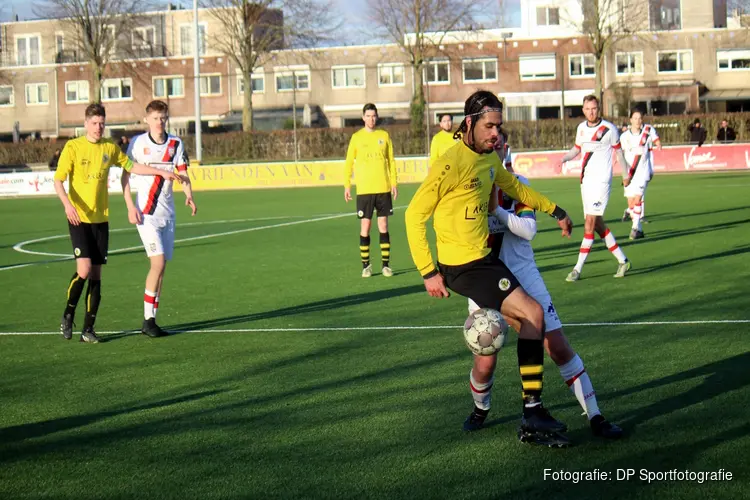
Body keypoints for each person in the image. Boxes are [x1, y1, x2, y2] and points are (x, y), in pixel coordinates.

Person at [405, 90, 574, 446]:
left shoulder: (489, 159)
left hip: (483, 261)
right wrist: (428, 271)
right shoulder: (450, 163)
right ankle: (532, 412)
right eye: (489, 125)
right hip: (460, 266)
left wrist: (554, 209)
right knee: (531, 314)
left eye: (499, 126)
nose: (496, 133)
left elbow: (514, 188)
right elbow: (413, 215)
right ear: (470, 123)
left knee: (529, 321)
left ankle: (530, 412)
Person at [466, 173, 622, 440]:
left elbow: (528, 230)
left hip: (524, 276)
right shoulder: (468, 187)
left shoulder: (517, 185)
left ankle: (596, 417)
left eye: (501, 144)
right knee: (485, 363)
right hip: (486, 278)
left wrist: (496, 211)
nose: (496, 150)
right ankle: (481, 408)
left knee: (557, 347)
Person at [55, 103, 180, 343]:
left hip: (101, 220)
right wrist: (67, 204)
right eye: (94, 123)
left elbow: (131, 167)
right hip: (79, 217)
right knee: (83, 269)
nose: (98, 128)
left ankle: (88, 329)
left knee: (97, 276)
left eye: (101, 123)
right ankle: (68, 313)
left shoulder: (109, 148)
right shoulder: (73, 147)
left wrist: (159, 172)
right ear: (85, 124)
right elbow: (59, 181)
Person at [121, 100, 197, 338]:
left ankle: (152, 319)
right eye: (155, 118)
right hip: (146, 215)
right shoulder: (137, 144)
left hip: (168, 214)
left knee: (162, 269)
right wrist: (129, 206)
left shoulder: (176, 143)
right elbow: (125, 176)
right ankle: (147, 320)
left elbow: (183, 173)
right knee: (158, 263)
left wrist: (189, 195)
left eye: (163, 118)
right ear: (147, 119)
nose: (159, 122)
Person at [559, 95, 631, 282]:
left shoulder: (609, 129)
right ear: (583, 110)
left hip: (602, 183)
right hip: (586, 183)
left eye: (594, 108)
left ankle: (577, 269)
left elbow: (619, 154)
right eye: (587, 109)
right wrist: (564, 158)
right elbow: (576, 149)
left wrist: (625, 175)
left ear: (599, 109)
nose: (591, 112)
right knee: (598, 225)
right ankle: (623, 260)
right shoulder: (581, 129)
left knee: (590, 223)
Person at [344, 103, 398, 278]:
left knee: (383, 225)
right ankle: (366, 266)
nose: (371, 119)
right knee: (365, 226)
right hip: (365, 190)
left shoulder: (384, 135)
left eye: (374, 116)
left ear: (377, 116)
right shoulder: (356, 138)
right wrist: (347, 185)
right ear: (363, 117)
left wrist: (394, 183)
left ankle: (386, 266)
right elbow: (348, 163)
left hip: (382, 188)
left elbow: (391, 161)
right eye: (368, 116)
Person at [619, 110, 661, 240]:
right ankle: (639, 229)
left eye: (640, 118)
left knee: (638, 199)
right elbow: (620, 155)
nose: (638, 121)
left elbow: (656, 141)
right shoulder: (624, 136)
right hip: (629, 173)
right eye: (635, 118)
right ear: (630, 120)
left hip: (643, 171)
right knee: (631, 203)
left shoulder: (648, 130)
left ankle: (635, 228)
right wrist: (623, 174)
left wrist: (658, 144)